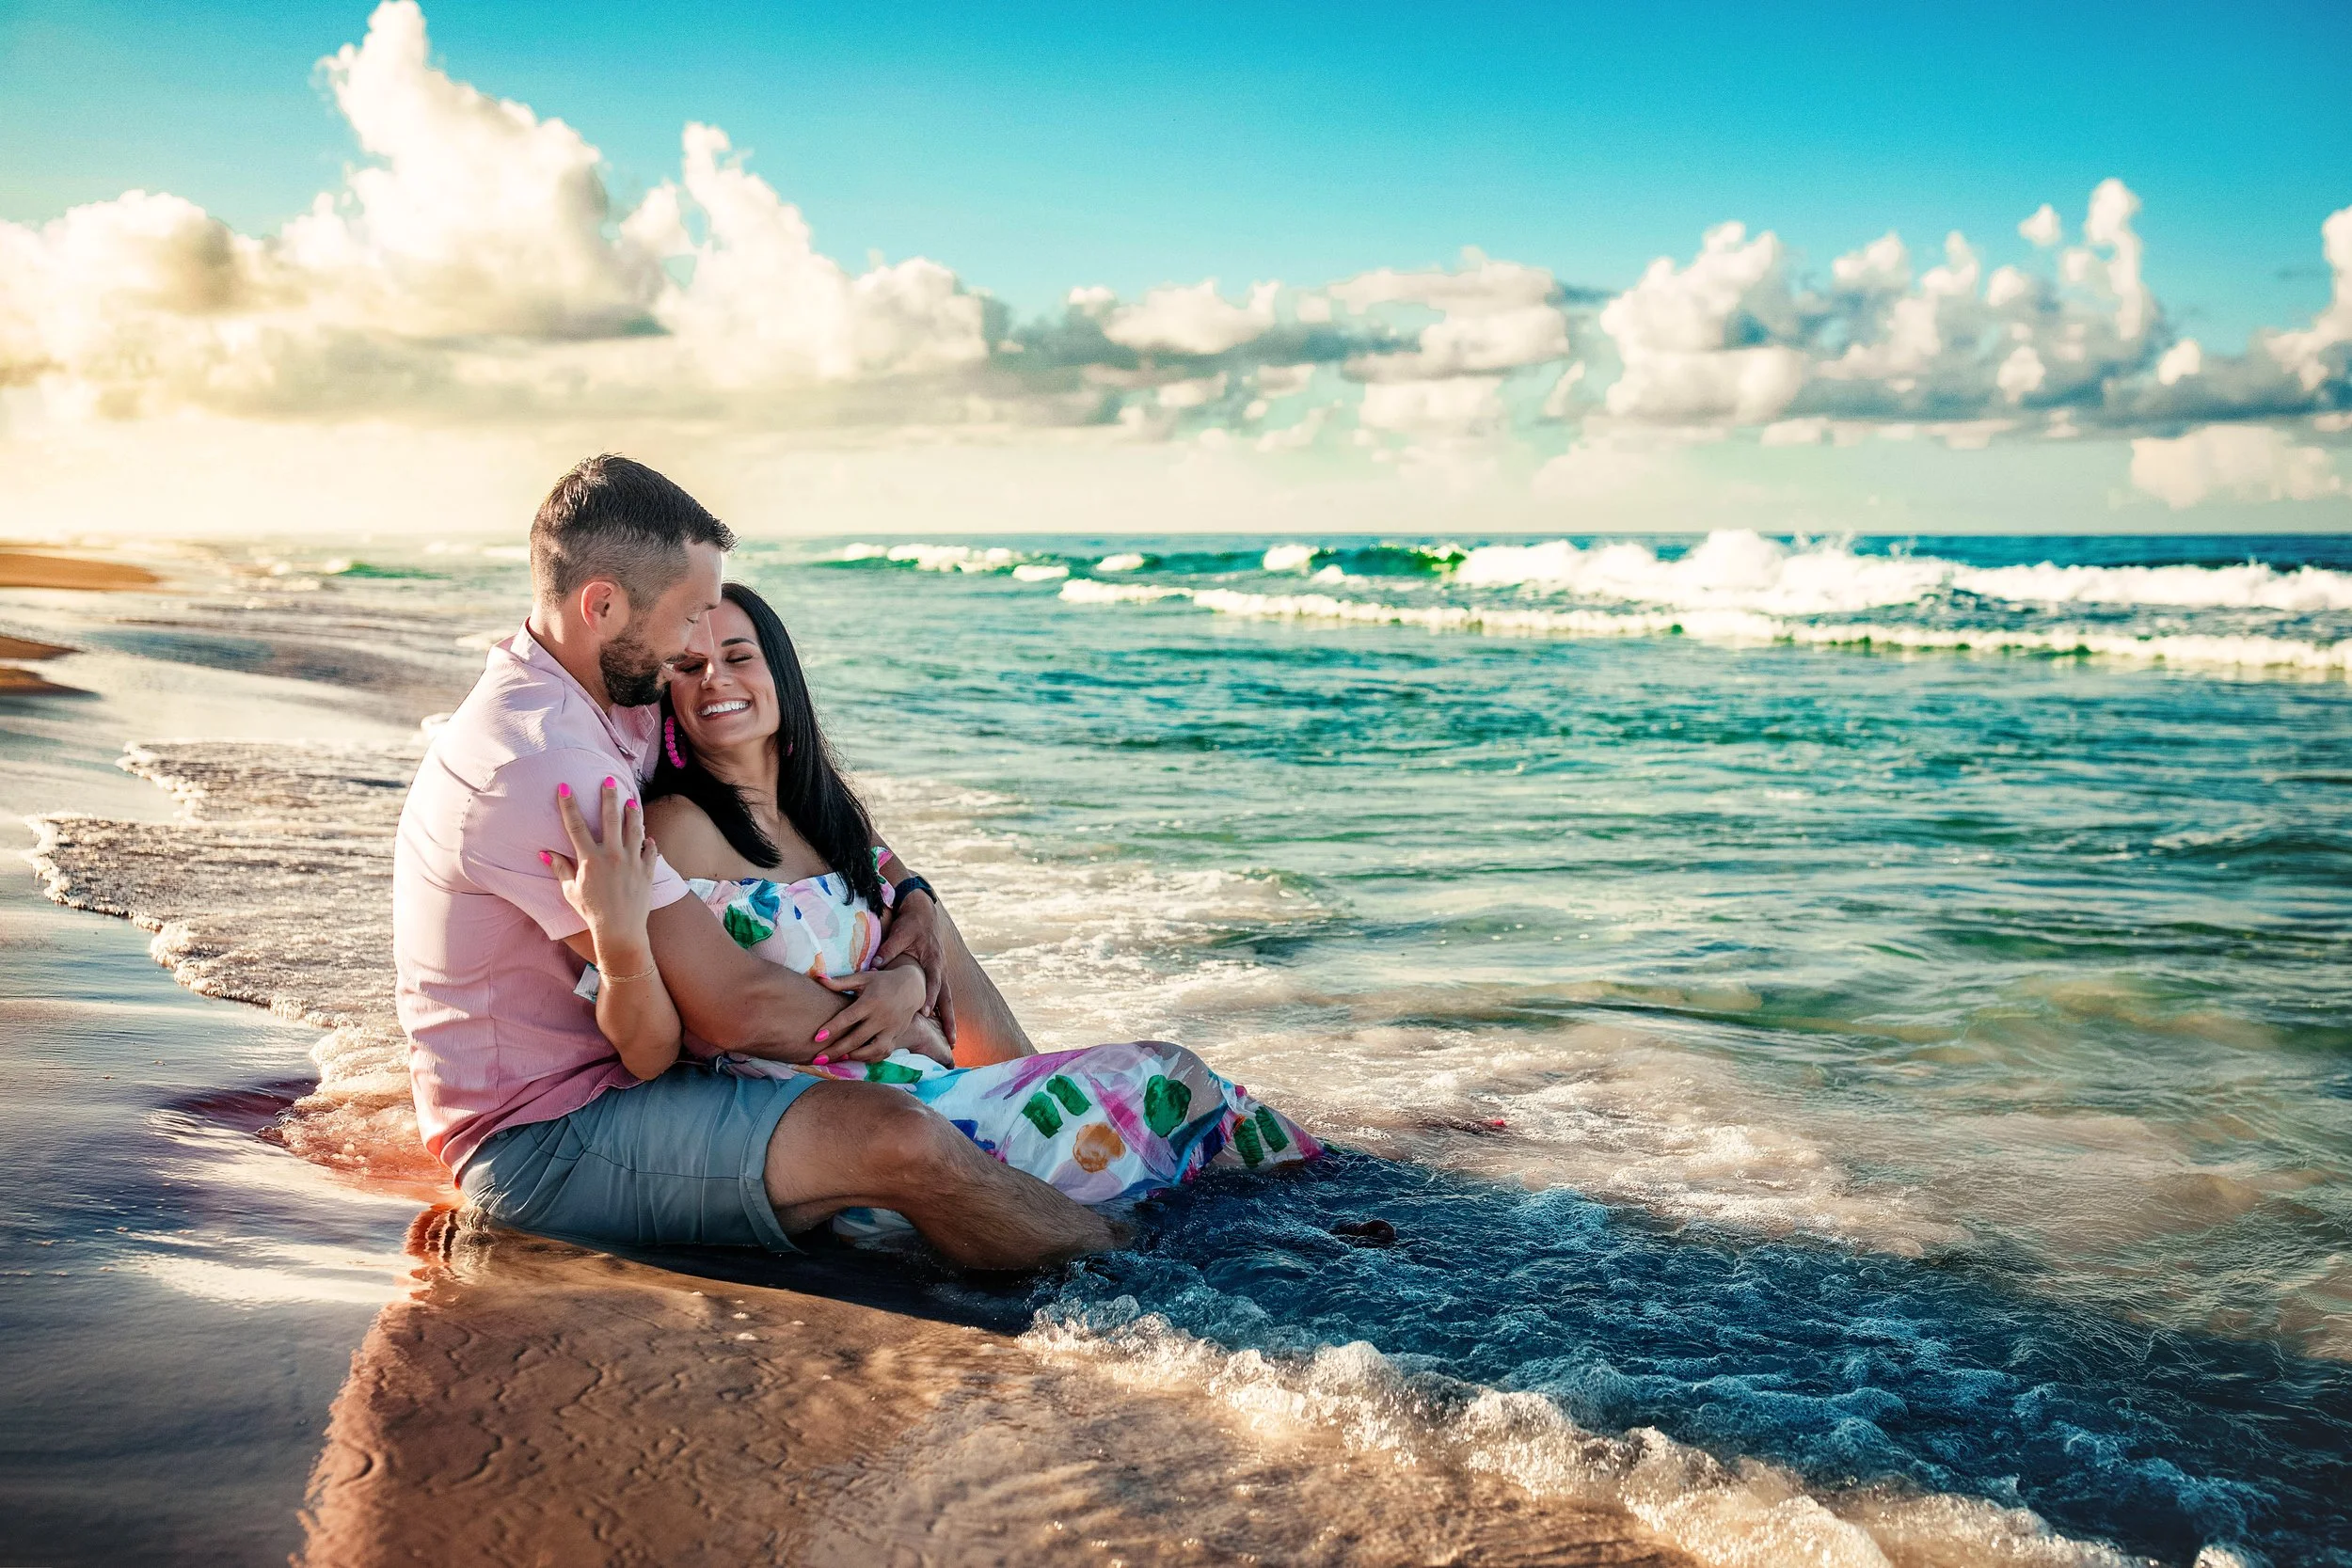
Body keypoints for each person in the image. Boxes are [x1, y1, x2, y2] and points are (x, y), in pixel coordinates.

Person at [391, 453, 1117, 1269]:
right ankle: (1136, 1263)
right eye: (689, 615)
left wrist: (911, 896)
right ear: (602, 604)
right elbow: (734, 1010)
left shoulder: (600, 693)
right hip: (548, 1138)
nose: (695, 645)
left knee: (928, 944)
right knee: (898, 1136)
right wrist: (910, 1026)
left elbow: (795, 804)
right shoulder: (544, 761)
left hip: (633, 1076)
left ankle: (1038, 1127)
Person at [551, 582, 1319, 1226]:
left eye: (739, 657)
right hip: (839, 1125)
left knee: (1186, 1104)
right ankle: (1308, 1218)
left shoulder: (829, 820)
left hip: (924, 1091)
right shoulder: (676, 828)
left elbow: (911, 898)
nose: (715, 678)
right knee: (1171, 1080)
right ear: (669, 700)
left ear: (781, 674)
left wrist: (911, 977)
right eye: (689, 666)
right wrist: (908, 1019)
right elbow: (709, 1012)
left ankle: (1311, 1220)